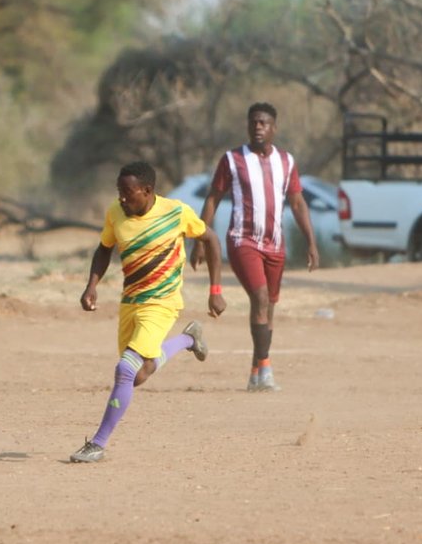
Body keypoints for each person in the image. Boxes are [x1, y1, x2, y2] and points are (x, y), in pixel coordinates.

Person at [69, 161, 227, 464]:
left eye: (128, 193)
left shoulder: (176, 212)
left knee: (125, 370)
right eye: (119, 192)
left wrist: (215, 291)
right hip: (130, 302)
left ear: (148, 191)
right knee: (137, 376)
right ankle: (187, 340)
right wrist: (91, 286)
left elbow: (210, 239)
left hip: (163, 304)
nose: (122, 199)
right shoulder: (116, 212)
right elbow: (104, 248)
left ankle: (98, 444)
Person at [191, 101, 320, 393]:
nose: (258, 127)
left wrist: (311, 242)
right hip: (242, 239)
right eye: (253, 122)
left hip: (275, 244)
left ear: (274, 128)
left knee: (268, 307)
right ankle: (267, 368)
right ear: (248, 126)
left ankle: (256, 372)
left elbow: (298, 203)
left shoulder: (286, 161)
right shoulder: (233, 160)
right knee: (260, 297)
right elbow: (213, 198)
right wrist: (200, 239)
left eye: (264, 123)